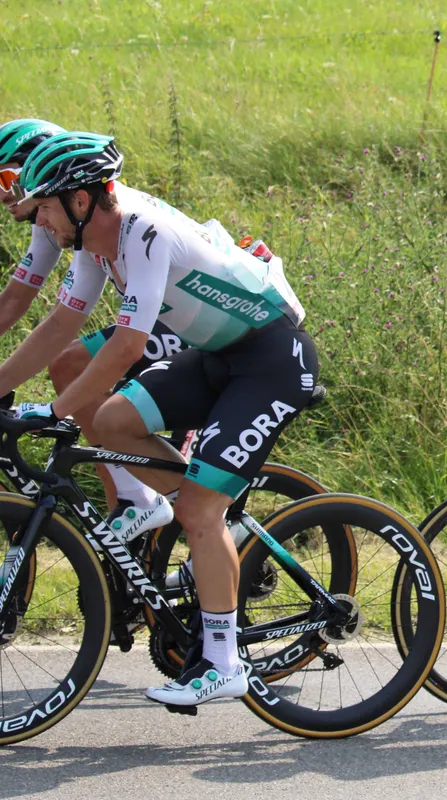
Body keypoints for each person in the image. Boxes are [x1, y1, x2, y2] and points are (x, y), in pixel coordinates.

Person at [1, 131, 317, 706]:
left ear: (80, 200)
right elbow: (60, 327)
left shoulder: (143, 231)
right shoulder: (94, 244)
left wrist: (52, 411)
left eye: (43, 207)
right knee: (112, 422)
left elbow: (126, 345)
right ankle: (182, 516)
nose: (37, 220)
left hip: (270, 359)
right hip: (216, 355)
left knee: (199, 509)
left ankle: (223, 662)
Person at [1, 117, 193, 533]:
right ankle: (130, 521)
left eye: (7, 178)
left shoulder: (95, 220)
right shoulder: (60, 223)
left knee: (71, 366)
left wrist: (39, 403)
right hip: (164, 320)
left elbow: (49, 320)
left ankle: (146, 504)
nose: (3, 194)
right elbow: (49, 316)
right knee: (71, 369)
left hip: (197, 325)